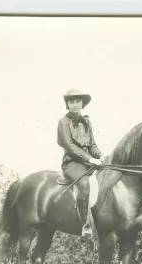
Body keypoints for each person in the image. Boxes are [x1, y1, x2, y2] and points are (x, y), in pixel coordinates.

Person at [57, 89, 105, 238]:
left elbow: (92, 145)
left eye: (78, 101)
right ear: (67, 104)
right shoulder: (63, 122)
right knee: (84, 184)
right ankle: (85, 225)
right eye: (71, 102)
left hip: (87, 161)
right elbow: (69, 145)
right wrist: (90, 158)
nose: (75, 104)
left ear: (82, 103)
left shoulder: (86, 121)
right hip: (72, 163)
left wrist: (100, 156)